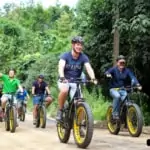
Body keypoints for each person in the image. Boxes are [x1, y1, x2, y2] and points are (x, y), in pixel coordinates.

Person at [56, 36, 97, 121]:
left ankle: (80, 125)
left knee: (80, 102)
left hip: (76, 81)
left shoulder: (83, 57)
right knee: (64, 90)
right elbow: (61, 67)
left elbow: (89, 68)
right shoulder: (65, 56)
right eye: (78, 44)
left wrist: (93, 78)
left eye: (81, 45)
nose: (80, 47)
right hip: (64, 79)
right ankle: (60, 110)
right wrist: (62, 77)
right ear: (73, 45)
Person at [105, 55, 142, 120]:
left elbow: (132, 77)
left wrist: (138, 84)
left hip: (123, 89)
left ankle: (126, 119)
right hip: (113, 89)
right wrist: (108, 74)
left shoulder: (127, 70)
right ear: (117, 63)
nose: (122, 64)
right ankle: (114, 114)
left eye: (123, 63)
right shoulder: (114, 69)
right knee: (117, 96)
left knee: (127, 102)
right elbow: (107, 72)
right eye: (120, 62)